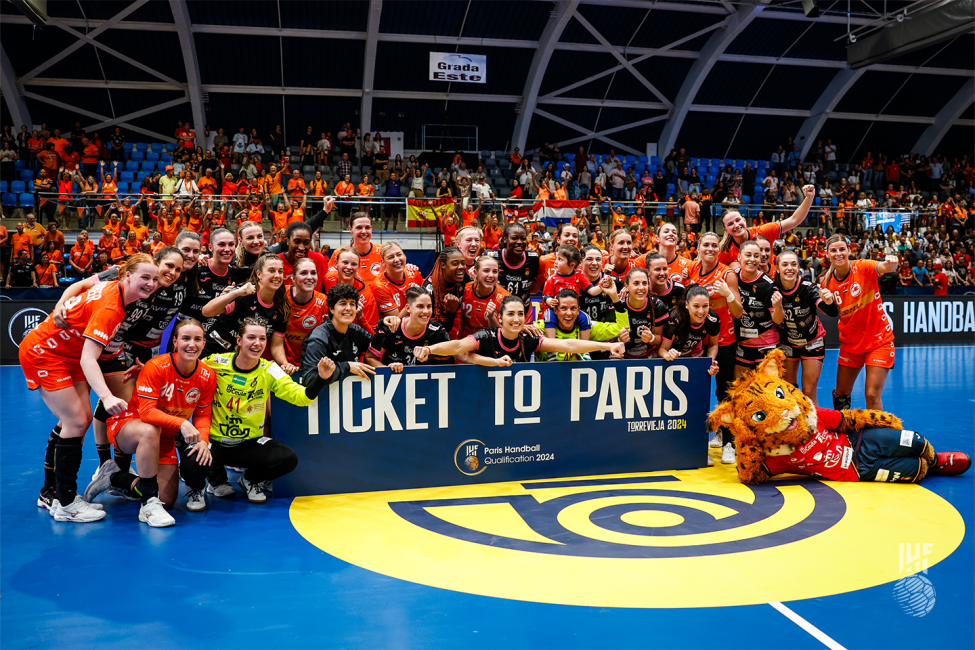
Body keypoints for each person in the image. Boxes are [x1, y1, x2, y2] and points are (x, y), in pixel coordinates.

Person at [20, 254, 159, 522]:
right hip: (45, 354)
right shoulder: (111, 307)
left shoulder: (115, 290)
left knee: (77, 422)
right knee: (76, 421)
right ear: (127, 275)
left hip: (67, 354)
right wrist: (106, 397)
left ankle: (56, 494)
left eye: (154, 279)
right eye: (145, 277)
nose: (151, 283)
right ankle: (66, 503)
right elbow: (89, 358)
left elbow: (82, 287)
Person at [82, 320, 215, 526]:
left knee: (168, 500)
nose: (191, 344)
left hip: (164, 434)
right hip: (129, 425)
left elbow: (203, 416)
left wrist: (203, 440)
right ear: (175, 342)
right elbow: (146, 413)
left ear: (204, 343)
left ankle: (114, 478)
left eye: (197, 339)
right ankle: (148, 506)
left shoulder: (207, 375)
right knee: (149, 429)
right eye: (186, 338)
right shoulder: (157, 366)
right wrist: (181, 423)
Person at [204, 318, 334, 503]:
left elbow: (301, 397)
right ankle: (215, 481)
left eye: (262, 339)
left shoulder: (270, 369)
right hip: (216, 442)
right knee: (189, 460)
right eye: (251, 337)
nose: (257, 343)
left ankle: (249, 480)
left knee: (288, 458)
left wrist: (321, 379)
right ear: (239, 341)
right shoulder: (216, 362)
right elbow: (190, 371)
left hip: (248, 444)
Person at [414, 295, 625, 366]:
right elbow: (458, 345)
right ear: (500, 318)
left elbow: (569, 344)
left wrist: (608, 345)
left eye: (520, 314)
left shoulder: (529, 338)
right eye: (510, 314)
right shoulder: (486, 336)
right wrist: (430, 350)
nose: (516, 319)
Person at [822, 234, 899, 410]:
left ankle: (876, 436)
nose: (838, 253)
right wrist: (827, 302)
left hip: (879, 341)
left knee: (871, 395)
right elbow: (831, 311)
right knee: (841, 395)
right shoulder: (826, 284)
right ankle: (845, 434)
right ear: (827, 255)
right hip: (850, 343)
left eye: (842, 249)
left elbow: (887, 267)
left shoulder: (863, 266)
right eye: (833, 250)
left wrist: (891, 262)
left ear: (849, 251)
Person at [688, 232, 742, 459]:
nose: (710, 248)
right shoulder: (692, 271)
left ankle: (730, 442)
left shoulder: (727, 274)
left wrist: (728, 294)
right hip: (696, 344)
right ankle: (715, 431)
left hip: (724, 341)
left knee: (724, 391)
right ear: (698, 248)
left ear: (718, 249)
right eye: (705, 245)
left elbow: (738, 311)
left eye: (713, 245)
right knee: (697, 392)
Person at [202, 253, 292, 370]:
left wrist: (284, 364)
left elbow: (276, 346)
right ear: (259, 274)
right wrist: (235, 293)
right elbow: (206, 311)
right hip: (215, 351)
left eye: (280, 271)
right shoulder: (244, 293)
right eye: (271, 270)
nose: (277, 275)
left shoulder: (282, 307)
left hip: (242, 362)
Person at [774, 250, 838, 405]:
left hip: (812, 340)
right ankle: (794, 427)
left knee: (808, 391)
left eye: (793, 264)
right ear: (777, 268)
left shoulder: (808, 288)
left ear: (798, 268)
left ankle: (815, 428)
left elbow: (832, 312)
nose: (789, 268)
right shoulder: (773, 288)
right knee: (789, 390)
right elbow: (775, 320)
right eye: (785, 264)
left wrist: (829, 301)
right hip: (787, 342)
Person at [298, 284, 377, 386]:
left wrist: (384, 325)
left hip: (349, 394)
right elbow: (309, 379)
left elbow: (379, 347)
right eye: (343, 303)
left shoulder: (356, 331)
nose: (348, 308)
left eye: (352, 304)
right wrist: (346, 366)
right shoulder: (318, 338)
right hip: (321, 399)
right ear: (331, 309)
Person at [719, 185, 815, 267]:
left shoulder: (762, 232)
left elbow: (794, 220)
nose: (736, 225)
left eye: (738, 220)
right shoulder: (725, 251)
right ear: (726, 230)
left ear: (744, 220)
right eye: (730, 224)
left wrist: (809, 198)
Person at [366, 286, 453, 370]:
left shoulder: (437, 331)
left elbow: (443, 367)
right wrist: (388, 370)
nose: (426, 311)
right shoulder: (390, 328)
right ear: (408, 308)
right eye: (420, 306)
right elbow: (369, 358)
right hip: (393, 382)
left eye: (429, 306)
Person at [657, 284, 720, 375]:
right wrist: (667, 355)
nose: (701, 311)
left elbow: (713, 345)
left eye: (705, 306)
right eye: (696, 306)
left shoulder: (713, 319)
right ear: (687, 304)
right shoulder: (675, 319)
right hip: (672, 359)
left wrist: (711, 362)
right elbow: (662, 350)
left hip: (695, 355)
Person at [486, 222, 542, 320]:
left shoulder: (533, 258)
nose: (519, 242)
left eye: (523, 238)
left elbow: (536, 286)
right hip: (496, 313)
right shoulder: (491, 257)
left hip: (524, 313)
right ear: (505, 239)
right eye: (514, 238)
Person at [614, 268, 669, 359]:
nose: (641, 287)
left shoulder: (657, 305)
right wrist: (620, 340)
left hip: (650, 356)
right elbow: (610, 341)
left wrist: (651, 338)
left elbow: (659, 338)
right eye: (636, 283)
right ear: (626, 286)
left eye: (644, 283)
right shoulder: (619, 305)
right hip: (623, 355)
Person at [283, 257, 328, 368]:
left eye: (313, 273)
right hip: (283, 364)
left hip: (310, 364)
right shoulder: (281, 295)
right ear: (293, 278)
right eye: (303, 273)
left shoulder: (324, 302)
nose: (309, 277)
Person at [323, 246, 380, 333]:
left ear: (358, 267)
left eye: (353, 264)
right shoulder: (327, 279)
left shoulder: (366, 296)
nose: (349, 267)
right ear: (335, 264)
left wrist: (360, 317)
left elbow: (373, 334)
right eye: (345, 262)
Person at [459, 255, 509, 337]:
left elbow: (504, 334)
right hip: (463, 344)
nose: (491, 275)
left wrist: (491, 317)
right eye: (486, 271)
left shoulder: (504, 298)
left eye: (495, 271)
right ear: (475, 273)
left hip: (489, 345)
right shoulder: (464, 290)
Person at [371, 241, 424, 317]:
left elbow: (426, 305)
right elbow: (396, 322)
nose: (396, 260)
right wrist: (413, 298)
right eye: (390, 257)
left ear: (405, 256)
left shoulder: (414, 273)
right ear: (383, 262)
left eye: (399, 255)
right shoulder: (379, 286)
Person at [329, 212, 383, 282]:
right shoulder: (339, 253)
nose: (364, 231)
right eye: (359, 227)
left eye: (367, 227)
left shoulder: (383, 251)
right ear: (350, 229)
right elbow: (329, 280)